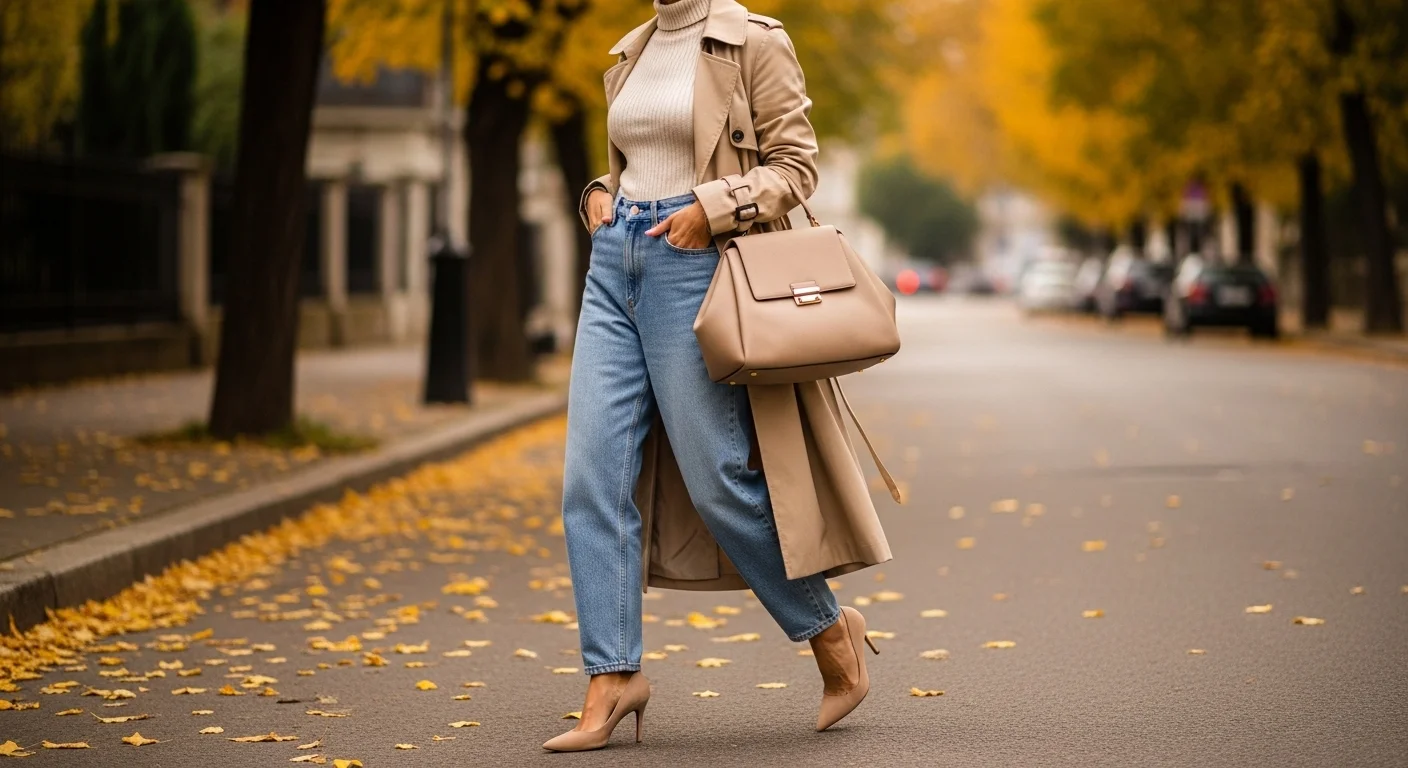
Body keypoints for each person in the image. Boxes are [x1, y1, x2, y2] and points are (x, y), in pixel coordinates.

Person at [545, 0, 893, 753]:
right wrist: (598, 195)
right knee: (591, 478)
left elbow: (796, 167)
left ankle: (830, 630)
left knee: (717, 478)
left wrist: (712, 208)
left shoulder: (753, 41)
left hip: (695, 266)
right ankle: (612, 676)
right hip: (615, 265)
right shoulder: (630, 50)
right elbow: (637, 161)